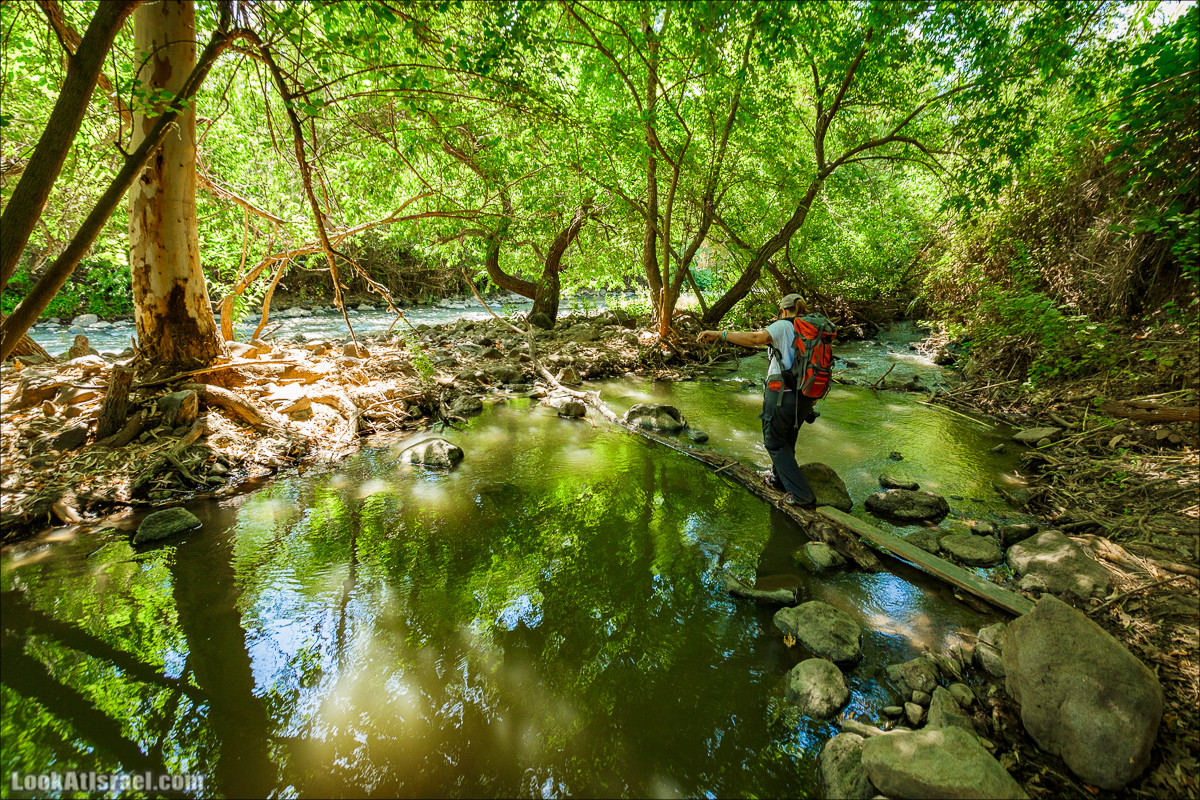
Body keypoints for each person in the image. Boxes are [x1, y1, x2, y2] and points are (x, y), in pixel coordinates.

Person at [697, 293, 818, 507]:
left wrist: (719, 334)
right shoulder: (814, 328)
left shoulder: (783, 325)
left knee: (774, 442)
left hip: (781, 392)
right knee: (787, 439)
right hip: (806, 394)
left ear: (783, 310)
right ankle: (778, 480)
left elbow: (755, 339)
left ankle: (802, 496)